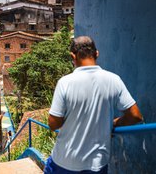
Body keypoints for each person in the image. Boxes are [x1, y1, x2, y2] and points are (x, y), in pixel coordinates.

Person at [44, 36, 143, 174]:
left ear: (73, 56)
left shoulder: (65, 82)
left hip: (64, 162)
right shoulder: (114, 80)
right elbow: (136, 116)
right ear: (97, 54)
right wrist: (113, 123)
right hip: (97, 165)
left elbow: (53, 124)